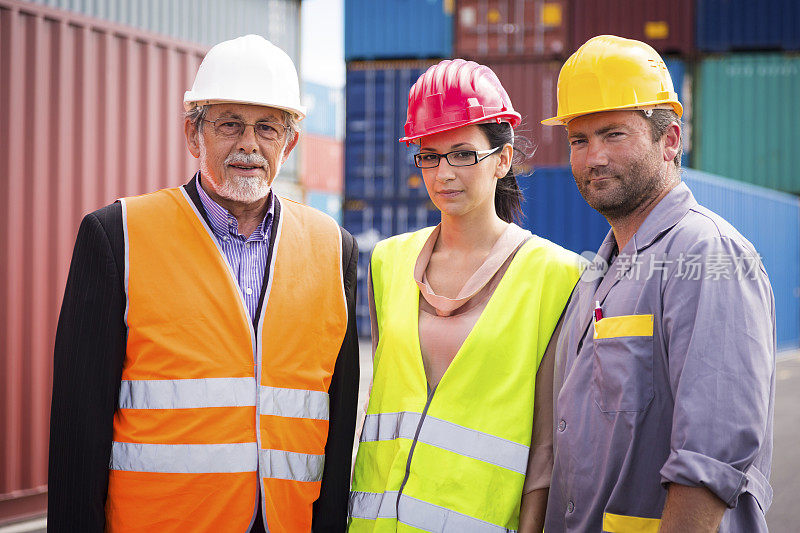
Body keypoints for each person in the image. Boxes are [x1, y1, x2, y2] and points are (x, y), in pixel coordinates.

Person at [48, 35, 359, 532]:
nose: (248, 145)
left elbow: (338, 431)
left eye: (267, 128)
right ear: (194, 136)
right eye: (229, 124)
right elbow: (76, 433)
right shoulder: (117, 237)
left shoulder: (333, 248)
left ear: (290, 142)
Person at [541, 35, 775, 532]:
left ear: (670, 140)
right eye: (578, 140)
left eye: (613, 134)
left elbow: (710, 461)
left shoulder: (708, 255)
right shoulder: (596, 276)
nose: (593, 158)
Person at [348, 59, 584, 532]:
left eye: (461, 153)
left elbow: (547, 446)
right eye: (429, 155)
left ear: (502, 158)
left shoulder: (556, 275)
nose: (443, 174)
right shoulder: (388, 262)